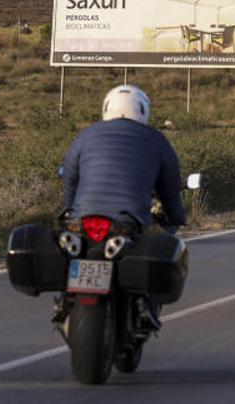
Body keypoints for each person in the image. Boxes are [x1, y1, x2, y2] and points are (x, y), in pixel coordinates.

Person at [59, 85, 184, 331]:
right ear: (143, 111)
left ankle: (65, 302)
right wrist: (177, 217)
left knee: (75, 249)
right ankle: (141, 304)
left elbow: (69, 178)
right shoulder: (157, 141)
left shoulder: (86, 135)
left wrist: (68, 212)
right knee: (148, 251)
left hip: (83, 219)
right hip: (128, 221)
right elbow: (170, 190)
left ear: (106, 108)